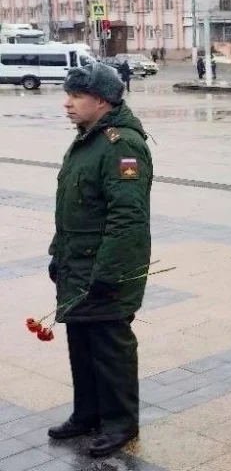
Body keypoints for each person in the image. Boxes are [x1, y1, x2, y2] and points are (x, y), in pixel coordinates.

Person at [48, 63, 151, 457]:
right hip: (79, 265)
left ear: (102, 101)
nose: (67, 104)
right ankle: (87, 413)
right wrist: (59, 253)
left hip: (105, 269)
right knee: (81, 342)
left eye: (75, 97)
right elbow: (73, 208)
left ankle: (120, 422)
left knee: (110, 347)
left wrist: (109, 274)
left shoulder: (120, 145)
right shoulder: (87, 140)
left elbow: (127, 218)